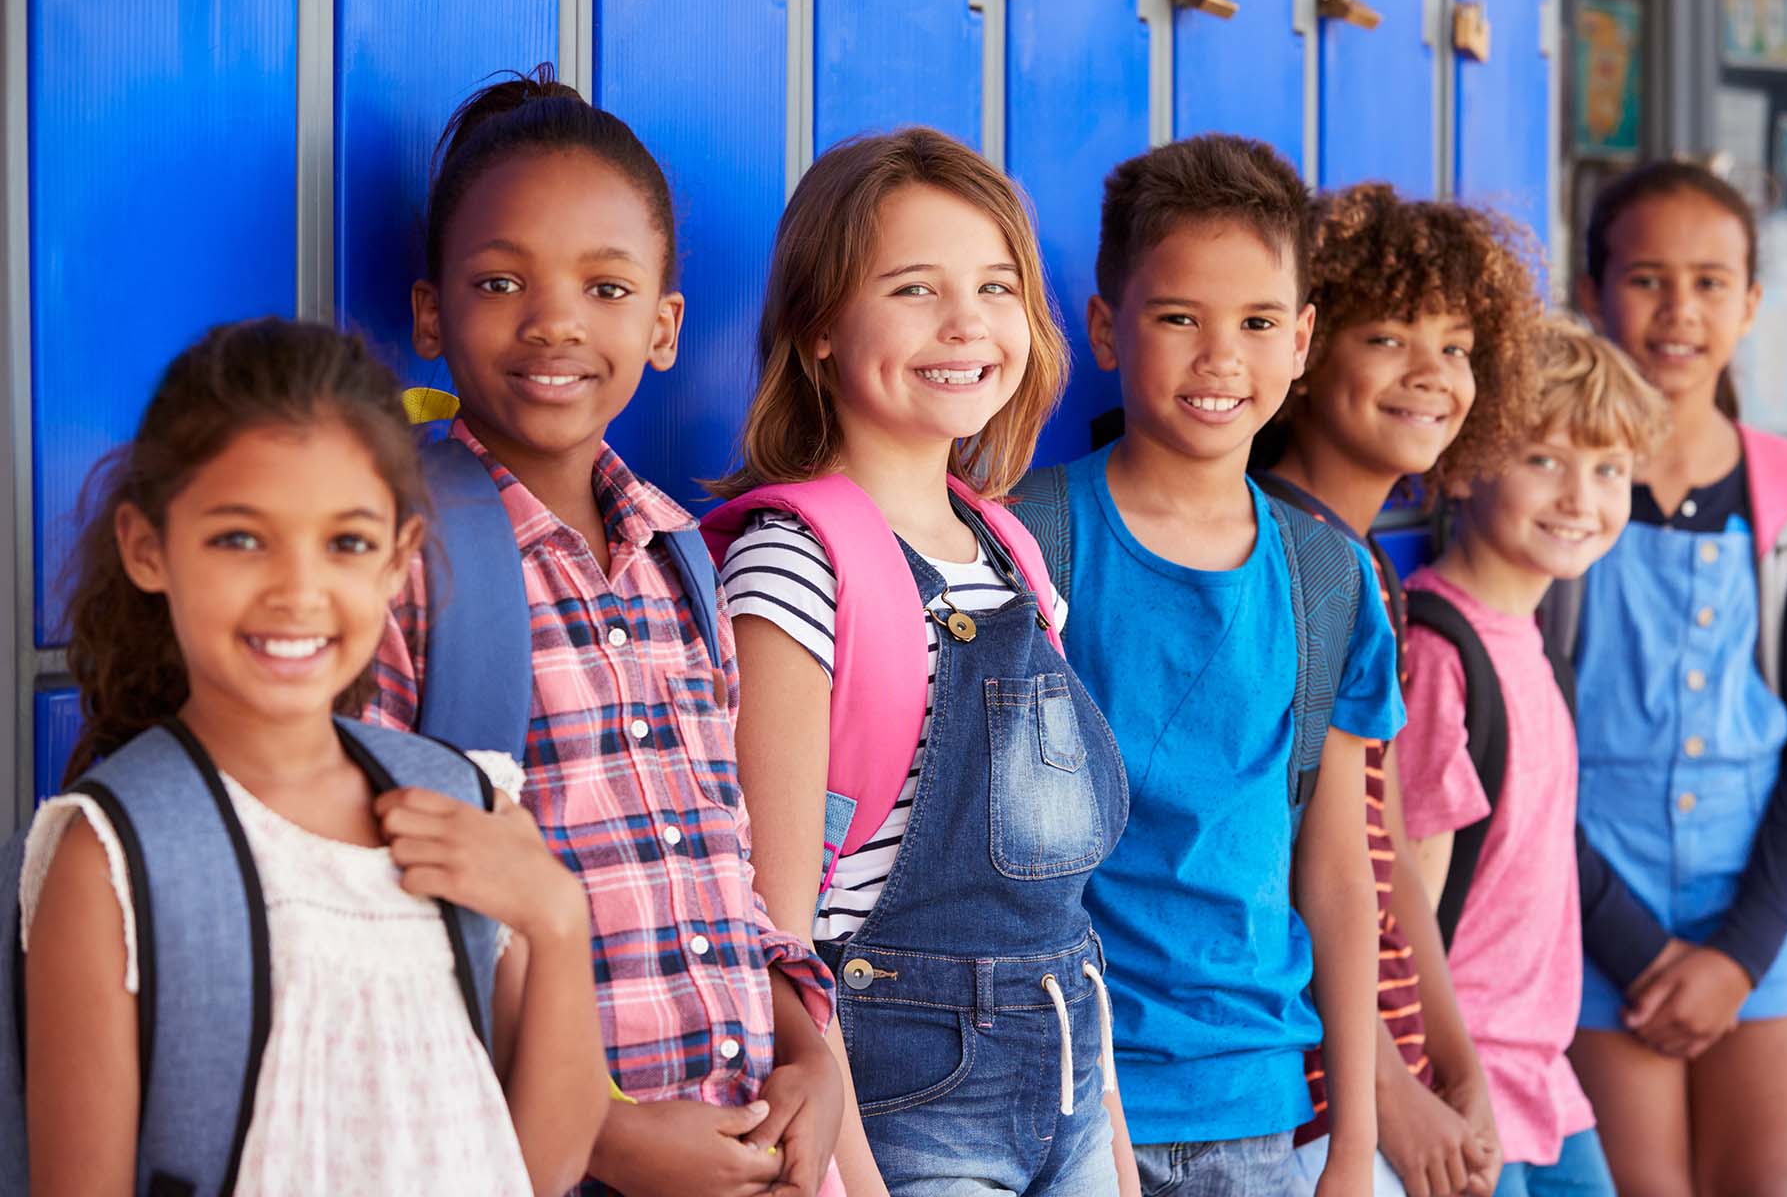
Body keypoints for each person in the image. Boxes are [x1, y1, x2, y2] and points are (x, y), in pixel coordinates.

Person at [365, 71, 842, 1197]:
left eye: (607, 285)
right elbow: (386, 909)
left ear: (665, 326)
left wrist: (811, 1051)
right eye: (499, 280)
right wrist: (604, 1136)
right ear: (431, 311)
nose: (556, 321)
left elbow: (719, 868)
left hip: (751, 1150)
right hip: (541, 1155)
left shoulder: (684, 553)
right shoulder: (398, 561)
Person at [21, 320, 606, 1194]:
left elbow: (544, 1166)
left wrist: (558, 921)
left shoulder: (468, 806)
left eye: (347, 543)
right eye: (241, 539)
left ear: (398, 559)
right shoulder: (108, 857)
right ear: (150, 549)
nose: (298, 591)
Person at [704, 127, 1136, 1197]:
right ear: (816, 330)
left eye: (996, 286)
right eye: (913, 289)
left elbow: (1062, 911)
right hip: (905, 1088)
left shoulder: (1011, 550)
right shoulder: (797, 562)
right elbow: (779, 928)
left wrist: (1115, 1154)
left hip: (1069, 1050)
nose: (967, 324)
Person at [1033, 134, 1403, 1195]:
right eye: (1177, 318)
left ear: (1302, 341)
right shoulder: (1030, 546)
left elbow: (1337, 871)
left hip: (1261, 1108)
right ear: (1106, 328)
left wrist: (1353, 1138)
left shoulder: (1331, 577)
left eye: (1254, 323)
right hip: (1065, 1099)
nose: (1219, 357)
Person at [1565, 160, 1787, 1194]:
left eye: (1710, 281)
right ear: (1592, 289)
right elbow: (1524, 752)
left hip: (1761, 919)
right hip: (1595, 916)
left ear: (1752, 302)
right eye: (1645, 278)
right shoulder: (1555, 490)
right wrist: (1640, 949)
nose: (1678, 310)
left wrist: (1738, 953)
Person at [1255, 182, 1542, 1196]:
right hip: (1306, 1100)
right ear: (1303, 351)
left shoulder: (1367, 566)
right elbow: (1289, 869)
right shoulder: (1271, 553)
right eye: (1388, 338)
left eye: (1458, 346)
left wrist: (1455, 1065)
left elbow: (1387, 851)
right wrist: (1392, 1095)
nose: (1433, 376)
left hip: (1388, 1072)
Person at [1397, 319, 1668, 1196]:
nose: (1582, 498)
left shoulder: (1531, 637)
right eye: (1545, 460)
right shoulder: (1441, 656)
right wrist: (1430, 1082)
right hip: (1461, 1081)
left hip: (1541, 1073)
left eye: (1610, 470)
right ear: (1468, 464)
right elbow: (1404, 911)